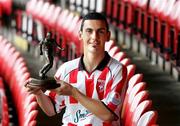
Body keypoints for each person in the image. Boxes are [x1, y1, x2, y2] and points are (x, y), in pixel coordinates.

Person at [25, 12, 127, 126]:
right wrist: (38, 93)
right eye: (89, 31)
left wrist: (73, 92)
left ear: (107, 36)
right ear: (80, 35)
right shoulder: (66, 69)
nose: (94, 37)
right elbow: (51, 110)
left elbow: (108, 115)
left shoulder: (117, 70)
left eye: (100, 32)